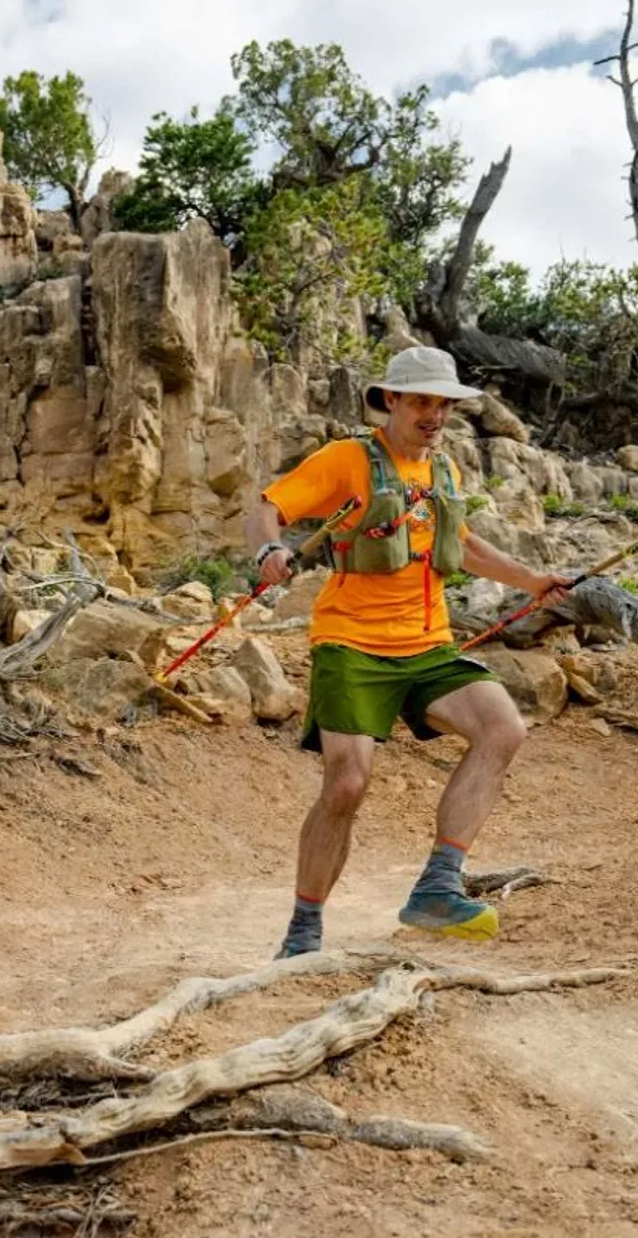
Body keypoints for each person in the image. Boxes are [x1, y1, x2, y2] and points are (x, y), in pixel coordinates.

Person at [243, 346, 573, 959]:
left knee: (503, 727)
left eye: (443, 403)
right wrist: (269, 552)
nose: (434, 414)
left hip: (427, 644)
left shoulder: (441, 471)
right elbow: (268, 508)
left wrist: (533, 581)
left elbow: (462, 545)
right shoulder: (348, 459)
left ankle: (438, 885)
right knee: (346, 784)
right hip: (351, 643)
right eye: (421, 400)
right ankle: (303, 930)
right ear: (390, 399)